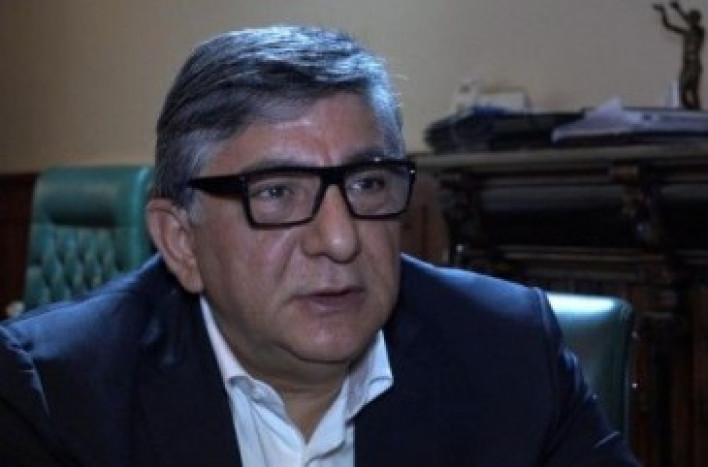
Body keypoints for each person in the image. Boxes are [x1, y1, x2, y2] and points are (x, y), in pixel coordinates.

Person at [0, 25, 638, 466]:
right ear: (181, 241)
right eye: (277, 192)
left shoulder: (508, 349)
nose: (339, 239)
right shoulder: (55, 391)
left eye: (367, 183)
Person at [654, 1, 705, 109]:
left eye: (692, 18)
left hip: (694, 66)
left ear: (696, 20)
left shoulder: (700, 32)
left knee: (690, 91)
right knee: (682, 92)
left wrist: (678, 9)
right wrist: (663, 13)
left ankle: (697, 112)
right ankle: (692, 110)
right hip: (686, 65)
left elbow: (689, 21)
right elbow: (668, 26)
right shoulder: (686, 33)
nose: (690, 20)